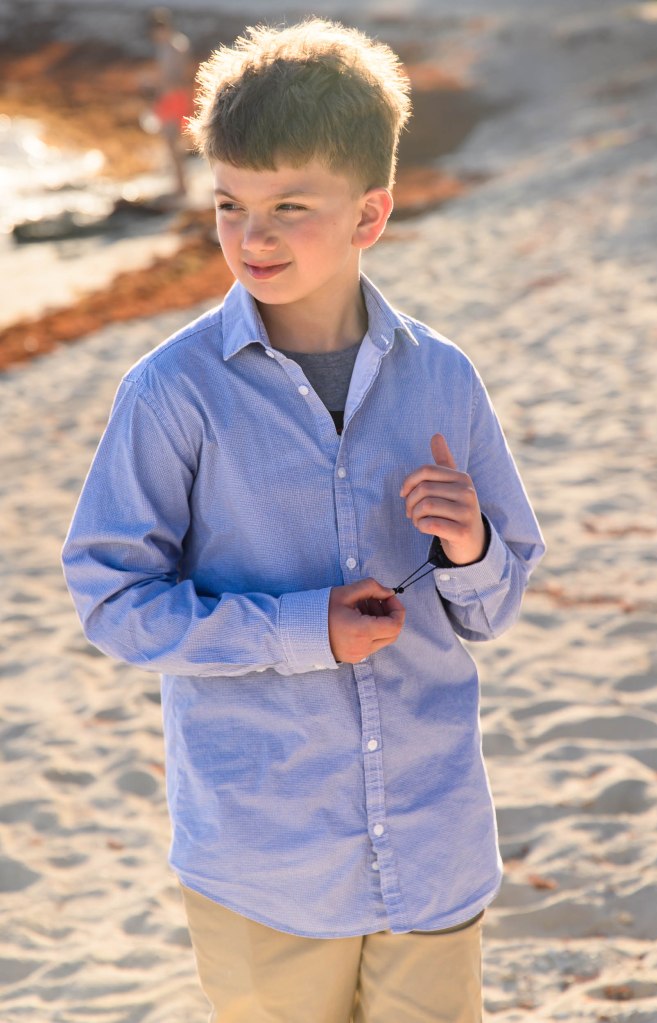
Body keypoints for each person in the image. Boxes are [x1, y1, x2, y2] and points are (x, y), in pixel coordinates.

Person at [62, 18, 545, 1023]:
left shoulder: (443, 379)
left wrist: (470, 546)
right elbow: (112, 601)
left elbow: (493, 607)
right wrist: (299, 628)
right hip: (264, 863)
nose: (254, 237)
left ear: (370, 214)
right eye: (230, 205)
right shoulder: (171, 394)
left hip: (433, 841)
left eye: (290, 206)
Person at [147, 6, 194, 197]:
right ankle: (179, 183)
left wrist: (159, 84)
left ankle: (182, 186)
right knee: (170, 142)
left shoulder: (175, 46)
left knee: (173, 142)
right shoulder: (167, 46)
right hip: (168, 98)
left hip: (175, 98)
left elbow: (179, 77)